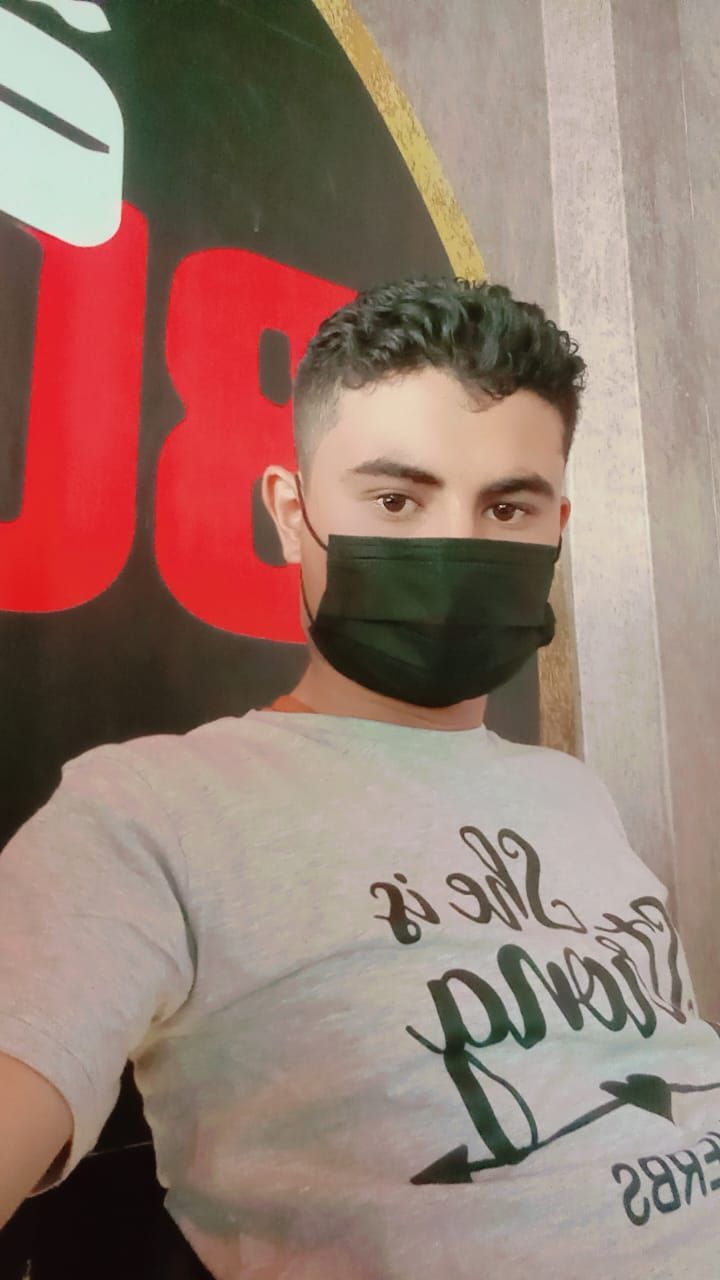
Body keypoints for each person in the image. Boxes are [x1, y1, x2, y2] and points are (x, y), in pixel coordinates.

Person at [0, 277, 718, 1279]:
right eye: (395, 500)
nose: (456, 545)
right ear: (292, 514)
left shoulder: (575, 794)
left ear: (557, 525)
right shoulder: (147, 811)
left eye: (507, 506)